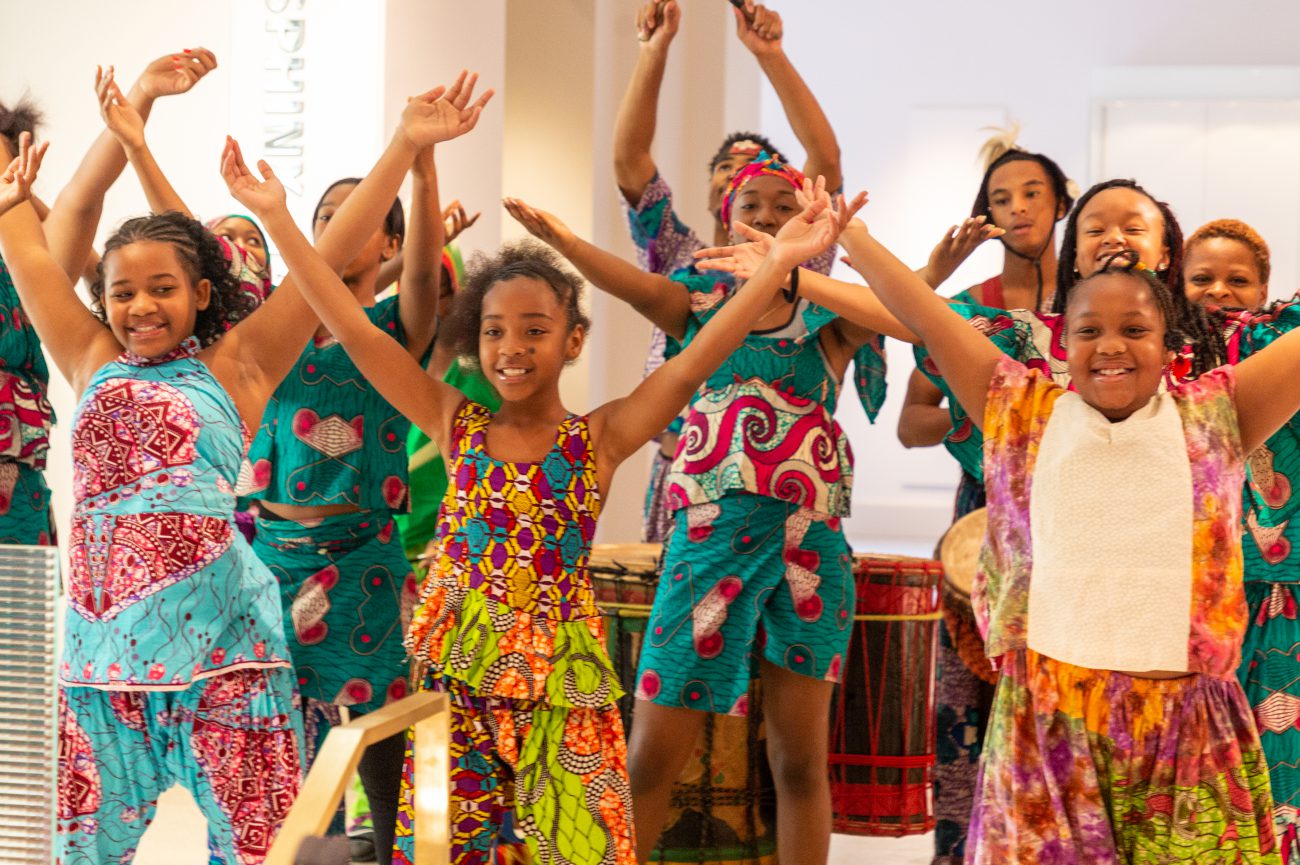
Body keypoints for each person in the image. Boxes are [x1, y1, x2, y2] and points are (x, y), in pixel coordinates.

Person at [290, 108, 852, 863]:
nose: (511, 348)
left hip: (563, 681)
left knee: (585, 851)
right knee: (441, 851)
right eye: (493, 330)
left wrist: (780, 265)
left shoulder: (602, 436)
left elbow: (695, 358)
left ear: (573, 338)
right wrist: (279, 219)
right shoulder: (455, 420)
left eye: (533, 329)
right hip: (453, 681)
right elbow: (355, 330)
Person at [234, 71, 492, 865]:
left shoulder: (391, 329)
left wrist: (419, 161)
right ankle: (295, 846)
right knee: (278, 719)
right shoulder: (271, 329)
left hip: (362, 554)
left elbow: (422, 277)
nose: (338, 230)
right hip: (271, 552)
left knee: (374, 710)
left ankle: (383, 846)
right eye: (325, 219)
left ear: (385, 239)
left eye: (361, 221)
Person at [895, 129, 1075, 865]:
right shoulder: (966, 308)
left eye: (1032, 192)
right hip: (983, 518)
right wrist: (977, 409)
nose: (1018, 208)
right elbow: (911, 424)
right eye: (1000, 199)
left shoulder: (1094, 299)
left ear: (1063, 202)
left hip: (1073, 514)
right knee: (971, 695)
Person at [613, 0, 844, 542]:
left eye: (765, 182)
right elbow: (629, 162)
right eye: (726, 170)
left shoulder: (803, 256)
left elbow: (826, 161)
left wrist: (771, 56)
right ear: (716, 192)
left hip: (788, 484)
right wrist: (653, 52)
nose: (739, 180)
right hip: (686, 475)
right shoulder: (680, 257)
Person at [1181, 218, 1300, 862]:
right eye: (1201, 278)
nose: (1219, 292)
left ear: (1265, 289)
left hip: (1289, 597)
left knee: (1285, 773)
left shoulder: (1284, 347)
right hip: (1193, 604)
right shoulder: (1153, 362)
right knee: (1203, 781)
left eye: (1237, 280)